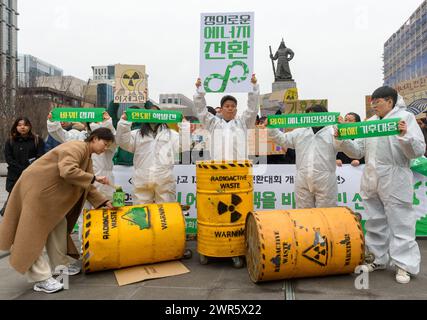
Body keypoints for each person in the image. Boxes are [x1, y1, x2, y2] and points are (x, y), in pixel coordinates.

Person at [0, 128, 115, 293]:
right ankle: (41, 278)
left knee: (58, 226)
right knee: (31, 236)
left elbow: (85, 185)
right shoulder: (76, 147)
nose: (105, 149)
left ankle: (61, 266)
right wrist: (95, 178)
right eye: (105, 144)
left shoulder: (86, 155)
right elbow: (67, 170)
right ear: (95, 139)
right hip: (37, 192)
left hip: (45, 194)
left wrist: (104, 202)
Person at [336, 86, 426, 284]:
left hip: (395, 176)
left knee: (401, 222)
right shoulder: (369, 123)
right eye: (372, 101)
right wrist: (342, 140)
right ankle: (378, 259)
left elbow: (418, 150)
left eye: (377, 101)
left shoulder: (405, 118)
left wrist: (405, 135)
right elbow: (358, 150)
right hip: (372, 176)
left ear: (390, 101)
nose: (374, 104)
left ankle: (404, 265)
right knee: (375, 221)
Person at [261, 105, 345, 208]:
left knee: (326, 214)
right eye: (309, 116)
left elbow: (346, 148)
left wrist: (342, 130)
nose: (312, 119)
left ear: (324, 115)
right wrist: (272, 127)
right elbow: (283, 139)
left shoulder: (332, 133)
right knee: (303, 213)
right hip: (302, 179)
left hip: (325, 180)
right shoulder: (300, 132)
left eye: (315, 115)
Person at [116, 105, 180, 204]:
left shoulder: (171, 134)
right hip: (142, 179)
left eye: (156, 113)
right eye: (150, 113)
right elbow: (122, 142)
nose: (153, 115)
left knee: (165, 213)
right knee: (141, 214)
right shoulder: (137, 134)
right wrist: (124, 123)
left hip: (164, 179)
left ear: (161, 116)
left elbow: (183, 146)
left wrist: (184, 126)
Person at [47, 111, 117, 199]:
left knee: (103, 208)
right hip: (82, 180)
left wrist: (107, 123)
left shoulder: (108, 140)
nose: (96, 123)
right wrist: (53, 122)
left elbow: (114, 140)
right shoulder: (80, 136)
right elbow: (62, 135)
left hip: (104, 182)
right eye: (94, 121)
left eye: (98, 121)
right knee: (82, 210)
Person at [193, 74, 259, 161]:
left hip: (240, 170)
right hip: (218, 169)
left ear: (236, 109)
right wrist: (199, 91)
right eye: (227, 106)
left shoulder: (243, 123)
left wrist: (253, 87)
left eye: (233, 106)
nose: (230, 108)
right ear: (221, 109)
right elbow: (201, 110)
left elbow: (252, 109)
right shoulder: (213, 124)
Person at [1, 117, 45, 216]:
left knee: (31, 200)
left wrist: (29, 170)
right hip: (14, 176)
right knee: (14, 200)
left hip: (32, 175)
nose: (22, 127)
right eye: (19, 125)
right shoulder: (10, 141)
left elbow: (41, 156)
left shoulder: (37, 140)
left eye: (25, 125)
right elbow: (9, 159)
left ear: (29, 126)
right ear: (15, 127)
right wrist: (21, 169)